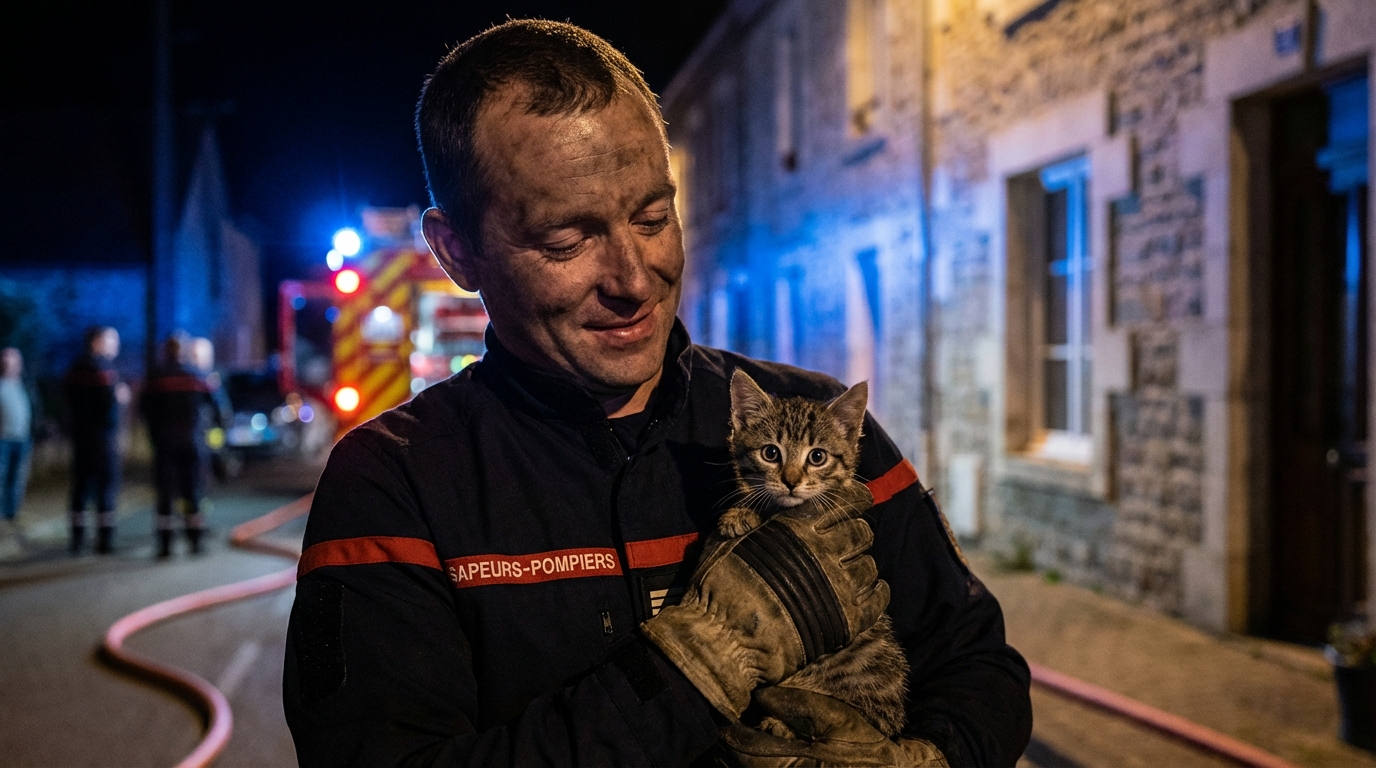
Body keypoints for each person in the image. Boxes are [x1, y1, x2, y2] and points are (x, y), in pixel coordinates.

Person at [283, 20, 1032, 766]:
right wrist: (695, 666)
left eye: (652, 217)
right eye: (565, 241)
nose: (634, 280)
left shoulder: (823, 420)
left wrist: (927, 761)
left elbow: (980, 668)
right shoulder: (390, 486)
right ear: (456, 251)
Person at [141, 335, 222, 557]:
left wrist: (154, 436)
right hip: (192, 442)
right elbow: (218, 409)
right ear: (184, 352)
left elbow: (145, 410)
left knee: (165, 493)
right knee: (192, 490)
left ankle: (165, 545)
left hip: (164, 444)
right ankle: (196, 541)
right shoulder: (197, 376)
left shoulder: (155, 378)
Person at [64, 326, 129, 554]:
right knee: (106, 488)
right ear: (96, 342)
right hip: (102, 439)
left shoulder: (74, 369)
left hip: (81, 438)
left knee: (80, 488)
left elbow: (68, 401)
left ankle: (77, 540)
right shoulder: (104, 371)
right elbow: (108, 406)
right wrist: (119, 397)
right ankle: (105, 541)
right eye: (112, 340)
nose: (116, 346)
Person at [0, 348, 32, 524]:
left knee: (17, 477)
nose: (10, 362)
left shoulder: (25, 384)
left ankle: (11, 513)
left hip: (22, 438)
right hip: (3, 439)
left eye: (13, 359)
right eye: (6, 358)